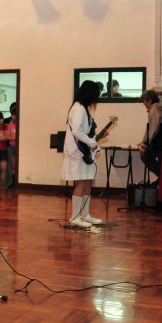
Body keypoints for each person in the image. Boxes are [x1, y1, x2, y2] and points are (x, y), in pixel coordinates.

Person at [63, 80, 105, 227]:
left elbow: (86, 132)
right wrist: (92, 143)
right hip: (77, 152)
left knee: (88, 182)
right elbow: (77, 131)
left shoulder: (84, 109)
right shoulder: (79, 108)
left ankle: (85, 215)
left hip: (84, 151)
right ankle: (75, 217)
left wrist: (95, 139)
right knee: (81, 183)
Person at [138, 89, 162, 180]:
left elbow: (153, 129)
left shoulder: (154, 110)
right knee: (161, 165)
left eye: (144, 100)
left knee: (145, 155)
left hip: (160, 144)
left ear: (150, 100)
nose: (143, 103)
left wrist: (145, 143)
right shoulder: (161, 109)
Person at [5, 103, 18, 188]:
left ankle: (17, 181)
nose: (14, 117)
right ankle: (12, 181)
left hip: (19, 148)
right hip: (11, 147)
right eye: (12, 115)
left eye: (15, 115)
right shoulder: (9, 126)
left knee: (17, 165)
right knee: (12, 165)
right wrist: (14, 138)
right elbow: (7, 137)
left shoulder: (20, 125)